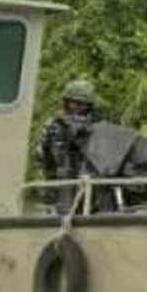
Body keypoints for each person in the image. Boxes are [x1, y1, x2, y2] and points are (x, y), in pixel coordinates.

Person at [37, 79, 101, 213]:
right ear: (67, 102)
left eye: (83, 104)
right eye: (75, 103)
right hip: (60, 181)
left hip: (88, 182)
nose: (78, 107)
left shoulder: (96, 126)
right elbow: (42, 156)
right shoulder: (53, 125)